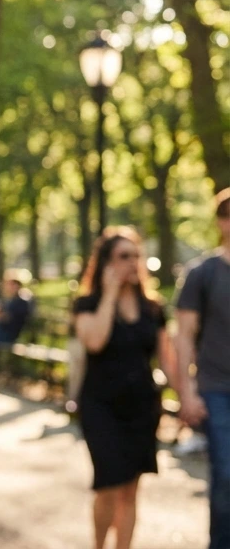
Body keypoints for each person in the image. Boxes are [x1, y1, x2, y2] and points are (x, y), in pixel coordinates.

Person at [73, 228, 177, 549]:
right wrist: (109, 293)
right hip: (100, 407)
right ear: (106, 262)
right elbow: (94, 341)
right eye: (123, 256)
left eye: (136, 256)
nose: (132, 263)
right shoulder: (86, 304)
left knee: (130, 489)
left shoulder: (152, 307)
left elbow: (168, 359)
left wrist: (188, 398)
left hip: (142, 408)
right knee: (107, 484)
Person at [175, 187, 230, 548]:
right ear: (222, 222)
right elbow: (183, 336)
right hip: (216, 387)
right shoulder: (203, 273)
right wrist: (187, 392)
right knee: (226, 473)